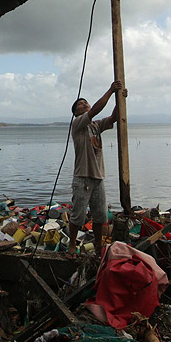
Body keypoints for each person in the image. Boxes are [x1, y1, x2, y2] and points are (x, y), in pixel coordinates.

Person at [69, 80, 126, 254]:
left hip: (98, 177)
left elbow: (113, 118)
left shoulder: (95, 126)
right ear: (76, 112)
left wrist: (120, 99)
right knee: (78, 216)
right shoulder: (78, 123)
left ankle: (99, 246)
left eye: (85, 101)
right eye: (80, 104)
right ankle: (72, 245)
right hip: (83, 177)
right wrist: (110, 90)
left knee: (100, 216)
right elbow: (95, 110)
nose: (84, 104)